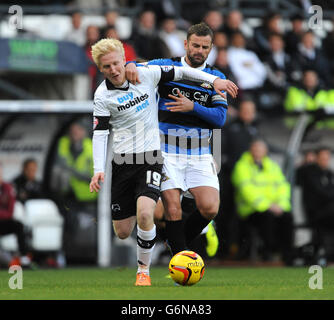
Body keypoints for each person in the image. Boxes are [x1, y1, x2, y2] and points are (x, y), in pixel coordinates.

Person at [88, 37, 237, 286]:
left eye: (116, 63)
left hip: (152, 157)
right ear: (100, 69)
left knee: (148, 212)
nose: (113, 70)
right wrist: (97, 170)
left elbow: (182, 72)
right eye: (106, 67)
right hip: (123, 162)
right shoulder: (102, 95)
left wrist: (215, 81)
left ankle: (143, 272)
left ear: (124, 60)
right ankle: (168, 242)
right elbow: (100, 133)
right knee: (123, 231)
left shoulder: (147, 74)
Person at [125, 22, 239, 257]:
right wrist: (129, 64)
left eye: (204, 47)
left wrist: (192, 106)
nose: (199, 50)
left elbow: (219, 119)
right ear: (186, 44)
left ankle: (178, 245)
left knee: (209, 208)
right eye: (195, 45)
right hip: (167, 151)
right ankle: (181, 260)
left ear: (211, 49)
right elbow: (137, 65)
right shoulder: (167, 66)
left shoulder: (217, 77)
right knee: (170, 210)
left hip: (199, 153)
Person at [231, 139, 293, 264]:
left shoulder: (272, 166)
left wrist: (281, 205)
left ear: (266, 151)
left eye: (260, 149)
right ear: (250, 150)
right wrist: (268, 206)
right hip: (250, 210)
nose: (258, 151)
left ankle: (287, 254)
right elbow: (246, 190)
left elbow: (283, 186)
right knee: (267, 219)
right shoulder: (242, 166)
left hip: (274, 207)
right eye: (255, 148)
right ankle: (268, 252)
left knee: (287, 217)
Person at [218, 100, 259, 258]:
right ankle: (223, 250)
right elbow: (222, 152)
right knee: (226, 215)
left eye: (251, 110)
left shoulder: (254, 130)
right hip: (229, 180)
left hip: (249, 183)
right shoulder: (230, 129)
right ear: (239, 111)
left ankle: (243, 251)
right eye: (245, 110)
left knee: (244, 218)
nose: (248, 113)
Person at [299, 147, 334, 258]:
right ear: (316, 158)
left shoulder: (329, 173)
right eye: (322, 157)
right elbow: (321, 192)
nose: (325, 160)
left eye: (327, 158)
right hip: (316, 211)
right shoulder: (310, 172)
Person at [57, 122, 97, 207]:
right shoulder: (62, 143)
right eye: (72, 130)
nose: (74, 132)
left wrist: (73, 172)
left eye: (78, 129)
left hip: (87, 198)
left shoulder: (93, 148)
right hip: (66, 195)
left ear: (84, 132)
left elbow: (96, 178)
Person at [0, 162, 32, 268]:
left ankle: (24, 258)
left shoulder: (8, 188)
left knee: (18, 225)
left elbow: (10, 211)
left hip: (3, 222)